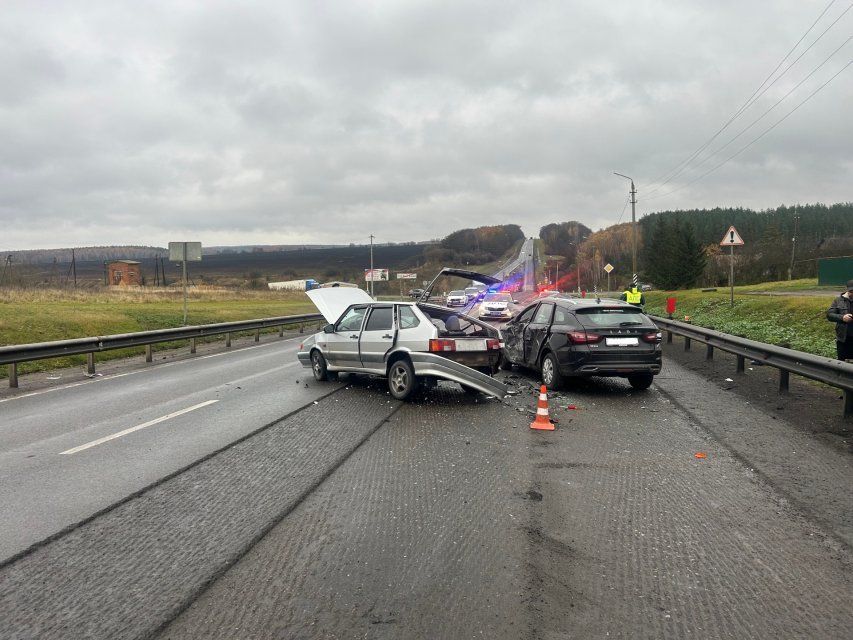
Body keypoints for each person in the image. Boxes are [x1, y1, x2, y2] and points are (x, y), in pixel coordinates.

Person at [827, 279, 853, 361]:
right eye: (851, 291)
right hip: (843, 338)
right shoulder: (838, 300)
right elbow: (829, 315)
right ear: (847, 290)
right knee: (841, 363)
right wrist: (842, 318)